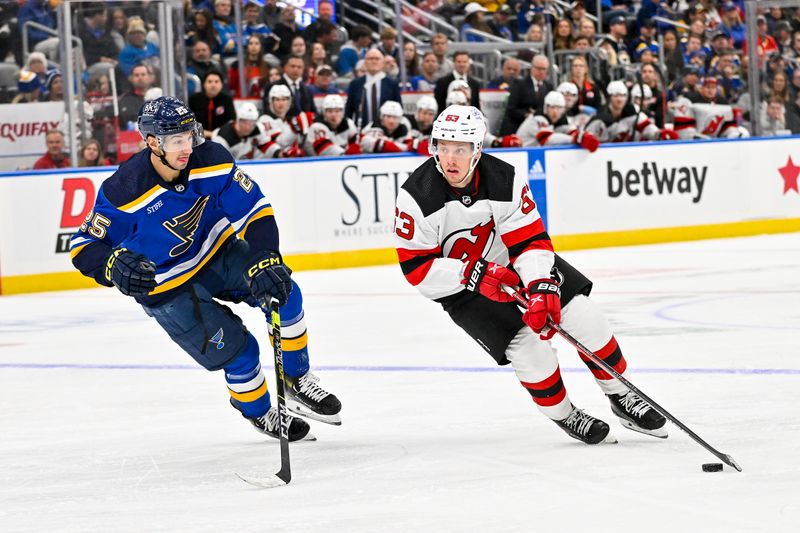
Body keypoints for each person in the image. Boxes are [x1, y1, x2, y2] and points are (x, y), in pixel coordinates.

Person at [69, 96, 342, 443]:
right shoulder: (124, 189)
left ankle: (297, 378)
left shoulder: (210, 159)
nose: (187, 147)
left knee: (285, 294)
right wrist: (110, 264)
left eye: (189, 136)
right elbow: (83, 247)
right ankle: (259, 413)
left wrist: (266, 256)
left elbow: (255, 210)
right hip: (167, 285)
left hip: (218, 251)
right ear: (153, 143)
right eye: (176, 140)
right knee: (242, 353)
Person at [393, 105, 667, 445]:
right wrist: (472, 274)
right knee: (528, 350)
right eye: (443, 147)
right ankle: (567, 415)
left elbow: (530, 239)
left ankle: (622, 395)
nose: (450, 158)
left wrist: (540, 285)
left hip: (511, 261)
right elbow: (417, 269)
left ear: (477, 150)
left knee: (583, 315)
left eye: (460, 149)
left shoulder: (503, 178)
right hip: (463, 288)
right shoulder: (416, 196)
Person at [585, 81, 679, 143]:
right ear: (609, 97)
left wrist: (659, 134)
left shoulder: (632, 111)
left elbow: (646, 127)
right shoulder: (600, 116)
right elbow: (588, 137)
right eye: (616, 95)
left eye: (623, 95)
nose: (620, 99)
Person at [516, 91, 599, 151]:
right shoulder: (538, 118)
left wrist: (581, 135)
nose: (555, 111)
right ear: (546, 108)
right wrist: (575, 139)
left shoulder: (556, 118)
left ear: (563, 109)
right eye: (552, 107)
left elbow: (565, 129)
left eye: (559, 108)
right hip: (519, 156)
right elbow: (547, 139)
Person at [344, 48, 402, 128]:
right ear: (365, 62)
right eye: (370, 59)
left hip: (386, 131)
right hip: (361, 131)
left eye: (377, 59)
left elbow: (399, 109)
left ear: (382, 62)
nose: (374, 61)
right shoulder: (355, 84)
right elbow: (349, 111)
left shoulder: (392, 84)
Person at [189, 69, 236, 139]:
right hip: (199, 137)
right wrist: (207, 134)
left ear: (222, 85)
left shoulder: (227, 99)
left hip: (221, 138)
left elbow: (231, 122)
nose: (213, 85)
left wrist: (217, 135)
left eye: (216, 82)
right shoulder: (194, 99)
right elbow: (190, 122)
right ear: (204, 84)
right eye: (209, 82)